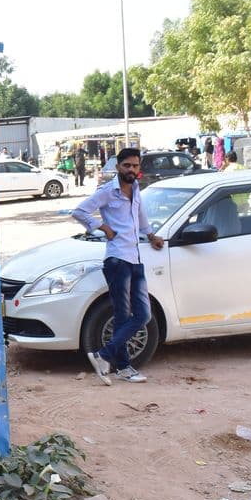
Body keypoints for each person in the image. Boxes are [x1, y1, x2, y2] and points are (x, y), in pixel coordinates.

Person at [70, 148, 165, 385]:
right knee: (123, 315)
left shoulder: (136, 190)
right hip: (117, 260)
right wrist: (102, 227)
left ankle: (106, 357)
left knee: (142, 314)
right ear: (118, 167)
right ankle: (121, 366)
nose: (131, 170)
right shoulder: (107, 192)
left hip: (135, 259)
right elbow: (79, 211)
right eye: (127, 166)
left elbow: (141, 218)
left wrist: (151, 235)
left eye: (135, 166)